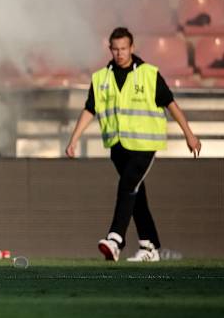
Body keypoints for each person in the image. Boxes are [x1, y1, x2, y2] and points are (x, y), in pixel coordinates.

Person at [65, 27, 201, 262]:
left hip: (144, 144)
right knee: (136, 194)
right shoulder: (101, 78)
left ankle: (115, 239)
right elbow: (90, 109)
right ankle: (150, 246)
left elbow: (171, 104)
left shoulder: (149, 74)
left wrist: (189, 134)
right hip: (117, 146)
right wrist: (74, 138)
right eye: (115, 49)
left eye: (123, 49)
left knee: (127, 185)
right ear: (110, 49)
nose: (119, 54)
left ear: (132, 48)